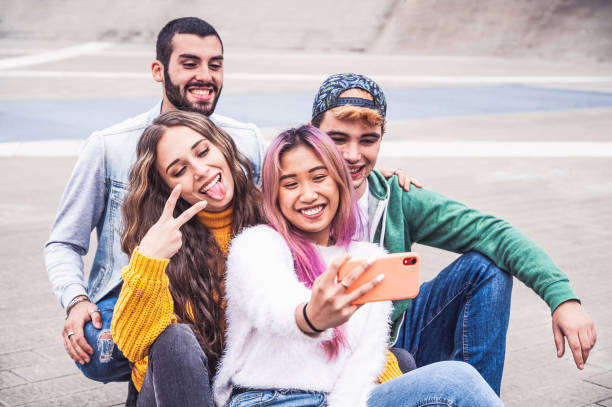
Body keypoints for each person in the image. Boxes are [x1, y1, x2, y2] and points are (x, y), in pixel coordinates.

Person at [309, 73, 597, 394]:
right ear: (312, 134)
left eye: (368, 140)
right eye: (338, 138)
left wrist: (562, 298)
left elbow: (493, 232)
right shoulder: (284, 192)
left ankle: (476, 397)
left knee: (486, 268)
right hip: (317, 351)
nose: (352, 155)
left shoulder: (395, 197)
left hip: (390, 342)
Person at [213, 125, 503, 407]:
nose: (308, 194)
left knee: (454, 383)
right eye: (291, 184)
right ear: (274, 195)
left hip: (337, 400)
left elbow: (362, 368)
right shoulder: (258, 244)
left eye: (319, 177)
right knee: (454, 381)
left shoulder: (367, 258)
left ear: (339, 181)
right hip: (268, 398)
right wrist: (310, 317)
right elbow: (271, 304)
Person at [43, 17, 265, 383]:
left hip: (217, 286)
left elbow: (288, 192)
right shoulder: (110, 145)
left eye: (215, 64)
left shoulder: (246, 138)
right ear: (158, 70)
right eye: (190, 63)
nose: (205, 75)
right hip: (134, 287)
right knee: (101, 350)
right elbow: (63, 242)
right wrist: (75, 300)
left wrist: (372, 178)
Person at [110, 110, 263, 405]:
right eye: (179, 170)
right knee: (176, 339)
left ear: (223, 145)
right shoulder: (163, 239)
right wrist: (149, 261)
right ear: (167, 188)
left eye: (203, 152)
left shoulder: (270, 214)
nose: (201, 170)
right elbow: (132, 344)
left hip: (249, 389)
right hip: (174, 392)